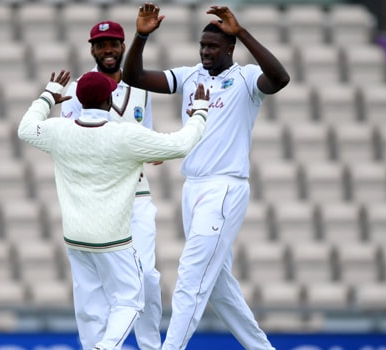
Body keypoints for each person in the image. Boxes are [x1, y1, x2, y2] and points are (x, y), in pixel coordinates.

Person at [122, 3, 290, 350]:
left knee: (191, 276)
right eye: (202, 46)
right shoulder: (190, 76)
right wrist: (140, 36)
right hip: (193, 188)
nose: (205, 52)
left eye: (213, 47)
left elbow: (280, 78)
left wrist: (241, 31)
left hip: (225, 187)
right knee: (218, 286)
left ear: (230, 49)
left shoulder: (245, 80)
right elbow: (133, 77)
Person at [18, 70, 210, 350]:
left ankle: (96, 345)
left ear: (79, 100)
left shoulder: (59, 131)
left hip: (75, 238)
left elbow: (25, 128)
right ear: (109, 100)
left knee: (89, 306)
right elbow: (180, 145)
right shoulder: (125, 135)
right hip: (113, 239)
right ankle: (106, 347)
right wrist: (200, 114)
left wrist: (48, 95)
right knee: (131, 300)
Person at [60, 20, 163, 350]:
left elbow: (147, 138)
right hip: (95, 202)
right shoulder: (78, 89)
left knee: (146, 276)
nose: (108, 49)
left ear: (122, 47)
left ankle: (150, 346)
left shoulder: (142, 88)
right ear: (90, 48)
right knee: (91, 290)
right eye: (101, 44)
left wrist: (156, 149)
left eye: (114, 43)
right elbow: (66, 140)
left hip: (136, 195)